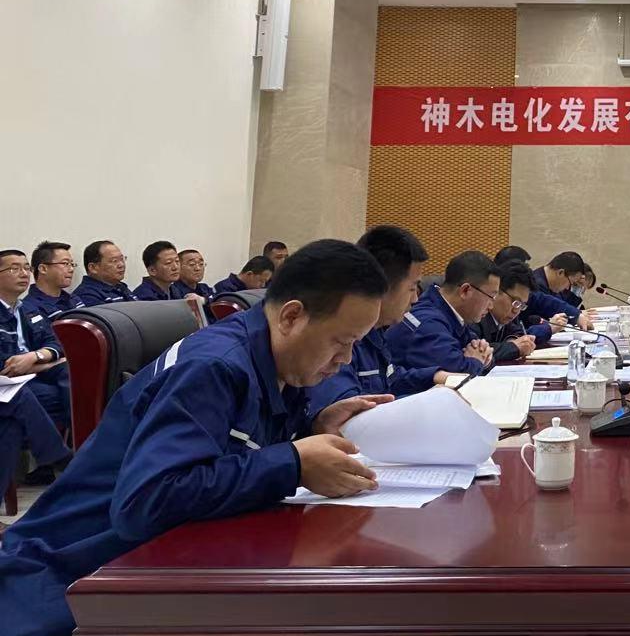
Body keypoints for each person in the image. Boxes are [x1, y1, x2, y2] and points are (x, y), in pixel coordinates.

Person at [0, 238, 392, 636]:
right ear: (291, 317)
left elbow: (237, 447)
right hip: (69, 581)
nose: (345, 359)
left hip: (158, 564)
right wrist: (292, 463)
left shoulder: (277, 361)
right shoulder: (213, 367)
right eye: (341, 342)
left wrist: (313, 428)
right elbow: (146, 503)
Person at [305, 227, 462, 422]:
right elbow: (351, 415)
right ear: (381, 287)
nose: (415, 299)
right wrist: (429, 402)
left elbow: (389, 379)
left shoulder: (377, 332)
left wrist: (434, 376)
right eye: (412, 288)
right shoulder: (342, 336)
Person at [0, 251, 71, 501]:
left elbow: (56, 344)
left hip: (27, 383)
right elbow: (7, 367)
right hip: (11, 386)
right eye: (14, 268)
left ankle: (63, 452)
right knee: (20, 400)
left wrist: (36, 357)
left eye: (26, 268)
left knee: (70, 374)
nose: (23, 274)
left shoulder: (28, 309)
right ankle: (61, 457)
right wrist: (43, 362)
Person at [385, 251, 498, 377]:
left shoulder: (451, 315)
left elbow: (478, 351)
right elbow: (456, 373)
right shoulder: (428, 322)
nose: (491, 306)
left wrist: (484, 356)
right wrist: (477, 362)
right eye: (491, 297)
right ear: (465, 291)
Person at [477, 260, 545, 364]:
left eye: (522, 305)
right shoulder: (476, 315)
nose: (516, 310)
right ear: (496, 291)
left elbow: (517, 332)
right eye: (515, 301)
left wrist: (514, 340)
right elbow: (477, 352)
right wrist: (513, 347)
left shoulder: (506, 315)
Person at [526, 251, 592, 331]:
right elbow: (550, 305)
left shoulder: (552, 285)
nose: (568, 287)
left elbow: (561, 304)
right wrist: (576, 315)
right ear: (560, 273)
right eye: (571, 283)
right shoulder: (535, 284)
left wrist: (576, 313)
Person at [71, 240, 134, 307]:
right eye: (114, 261)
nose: (121, 265)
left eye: (122, 259)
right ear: (93, 268)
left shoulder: (120, 287)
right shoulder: (87, 295)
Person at [24, 242, 76, 320]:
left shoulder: (74, 299)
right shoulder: (30, 308)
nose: (71, 269)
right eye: (65, 263)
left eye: (72, 264)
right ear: (43, 269)